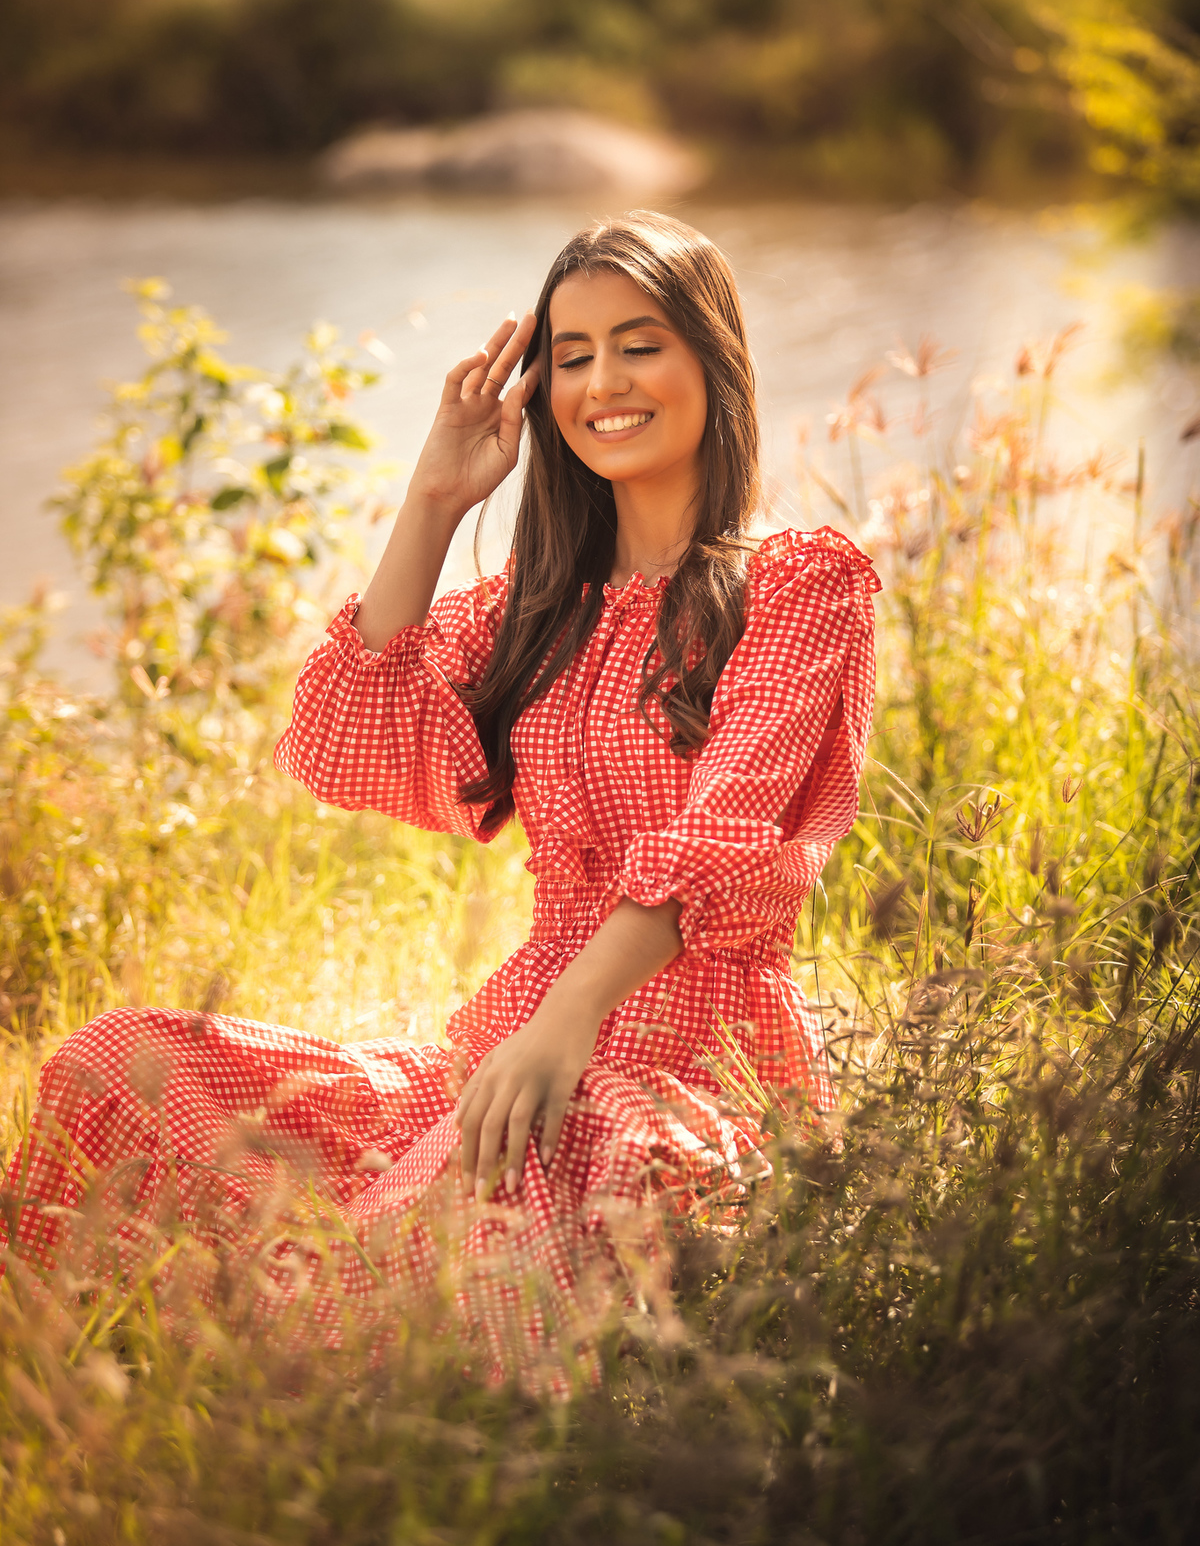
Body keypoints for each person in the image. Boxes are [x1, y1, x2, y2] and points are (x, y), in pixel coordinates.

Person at [3, 212, 879, 1380]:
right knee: (113, 1065)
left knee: (477, 1217)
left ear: (712, 359)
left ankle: (327, 1387)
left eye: (640, 343)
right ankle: (64, 1385)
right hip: (511, 1045)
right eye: (571, 357)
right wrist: (435, 497)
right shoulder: (541, 610)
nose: (604, 383)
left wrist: (564, 1030)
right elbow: (337, 741)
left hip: (688, 1057)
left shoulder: (799, 583)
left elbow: (719, 835)